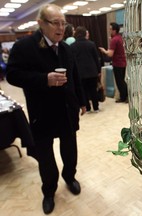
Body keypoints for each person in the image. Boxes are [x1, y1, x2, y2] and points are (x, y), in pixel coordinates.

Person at [6, 4, 86, 214]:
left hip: (67, 109)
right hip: (42, 112)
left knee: (70, 149)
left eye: (63, 23)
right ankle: (49, 191)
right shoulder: (24, 47)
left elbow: (75, 77)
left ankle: (70, 177)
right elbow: (12, 75)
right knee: (45, 155)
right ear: (41, 23)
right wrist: (44, 80)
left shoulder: (67, 48)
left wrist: (82, 100)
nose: (61, 28)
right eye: (55, 23)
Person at [71, 26, 101, 112]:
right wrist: (98, 70)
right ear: (85, 34)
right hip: (92, 71)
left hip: (80, 73)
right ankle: (96, 107)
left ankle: (87, 107)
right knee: (93, 90)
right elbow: (96, 58)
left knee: (84, 91)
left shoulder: (72, 46)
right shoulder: (91, 44)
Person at [99, 22, 128, 103]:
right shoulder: (119, 38)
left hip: (118, 63)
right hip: (123, 62)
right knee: (122, 81)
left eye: (110, 29)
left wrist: (104, 51)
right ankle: (124, 97)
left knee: (120, 82)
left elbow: (110, 54)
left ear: (114, 30)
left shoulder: (114, 40)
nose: (109, 31)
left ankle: (125, 97)